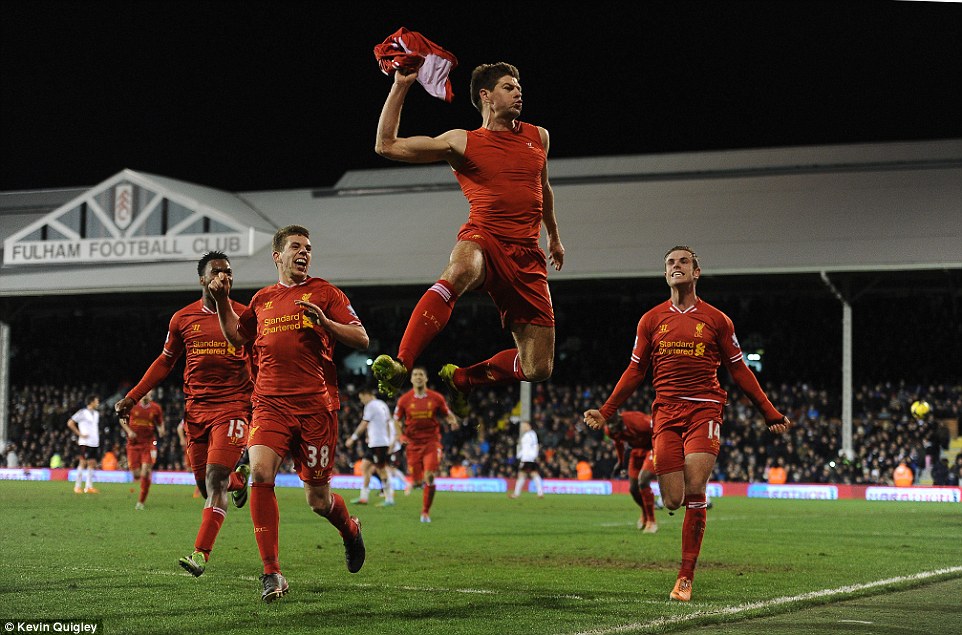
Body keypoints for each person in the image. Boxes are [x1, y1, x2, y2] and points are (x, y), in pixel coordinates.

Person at [584, 246, 792, 602]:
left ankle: (685, 576)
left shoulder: (718, 320)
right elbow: (636, 370)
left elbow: (739, 370)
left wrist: (768, 411)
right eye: (670, 263)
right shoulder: (650, 320)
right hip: (665, 413)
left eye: (683, 262)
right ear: (665, 274)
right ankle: (676, 522)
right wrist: (606, 410)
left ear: (697, 272)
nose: (676, 266)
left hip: (704, 410)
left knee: (695, 488)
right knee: (673, 499)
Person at [372, 61, 565, 416]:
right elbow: (386, 146)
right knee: (460, 269)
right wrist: (401, 86)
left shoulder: (539, 136)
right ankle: (402, 361)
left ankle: (464, 379)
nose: (518, 91)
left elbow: (544, 187)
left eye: (519, 85)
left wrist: (553, 236)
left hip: (527, 255)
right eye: (509, 86)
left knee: (539, 368)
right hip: (485, 237)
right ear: (486, 96)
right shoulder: (462, 141)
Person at [209, 224, 368, 602]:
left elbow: (361, 338)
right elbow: (237, 336)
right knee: (260, 474)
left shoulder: (326, 292)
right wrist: (220, 303)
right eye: (296, 246)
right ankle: (272, 573)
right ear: (277, 256)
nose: (305, 252)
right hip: (269, 404)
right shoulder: (262, 300)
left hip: (316, 408)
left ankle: (349, 528)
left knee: (318, 500)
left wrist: (325, 323)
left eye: (309, 248)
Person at [115, 251, 254, 576]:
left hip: (233, 407)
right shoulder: (182, 319)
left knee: (214, 478)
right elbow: (165, 362)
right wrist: (133, 397)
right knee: (208, 487)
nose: (225, 277)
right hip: (196, 412)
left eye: (229, 272)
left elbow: (262, 359)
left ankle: (200, 554)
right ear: (203, 279)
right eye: (217, 272)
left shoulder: (246, 316)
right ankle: (240, 479)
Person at [393, 366, 457, 522]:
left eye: (421, 374)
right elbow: (395, 420)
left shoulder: (436, 398)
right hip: (413, 444)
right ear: (411, 379)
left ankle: (425, 512)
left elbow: (447, 413)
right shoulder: (404, 400)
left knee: (429, 476)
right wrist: (400, 436)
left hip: (431, 442)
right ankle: (413, 483)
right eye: (415, 374)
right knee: (417, 481)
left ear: (426, 378)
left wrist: (452, 420)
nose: (418, 377)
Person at [605, 411, 657, 532]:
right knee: (633, 489)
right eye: (610, 426)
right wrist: (620, 461)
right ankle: (645, 513)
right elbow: (619, 445)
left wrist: (662, 449)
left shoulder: (637, 421)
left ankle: (651, 521)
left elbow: (658, 430)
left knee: (643, 481)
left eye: (614, 425)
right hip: (636, 451)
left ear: (618, 419)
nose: (612, 429)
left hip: (652, 448)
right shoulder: (609, 431)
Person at [346, 385, 396, 507]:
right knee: (365, 466)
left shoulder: (371, 405)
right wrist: (390, 440)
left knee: (381, 469)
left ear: (367, 394)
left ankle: (389, 498)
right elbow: (389, 423)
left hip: (378, 443)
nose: (361, 401)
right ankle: (364, 497)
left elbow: (364, 424)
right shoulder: (382, 404)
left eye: (362, 398)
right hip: (377, 442)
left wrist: (352, 438)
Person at [118, 390, 166, 510]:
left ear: (151, 395)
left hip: (148, 444)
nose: (146, 395)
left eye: (149, 393)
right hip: (133, 444)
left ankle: (141, 501)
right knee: (136, 474)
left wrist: (161, 430)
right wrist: (129, 431)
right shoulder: (132, 406)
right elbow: (121, 419)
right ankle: (142, 492)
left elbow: (160, 423)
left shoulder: (156, 408)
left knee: (146, 471)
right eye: (144, 393)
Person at [67, 394, 101, 493]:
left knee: (92, 464)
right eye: (96, 401)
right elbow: (70, 423)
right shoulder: (82, 412)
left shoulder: (96, 414)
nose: (98, 403)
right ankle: (77, 486)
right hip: (85, 442)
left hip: (94, 442)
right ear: (91, 402)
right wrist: (79, 434)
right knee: (82, 462)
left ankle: (88, 487)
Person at [510, 420, 544, 498]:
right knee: (532, 474)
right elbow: (525, 448)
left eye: (524, 426)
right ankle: (540, 493)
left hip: (528, 459)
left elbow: (535, 445)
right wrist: (519, 455)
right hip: (526, 458)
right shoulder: (527, 435)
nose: (522, 427)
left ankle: (516, 494)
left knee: (522, 475)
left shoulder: (531, 434)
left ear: (528, 426)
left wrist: (533, 456)